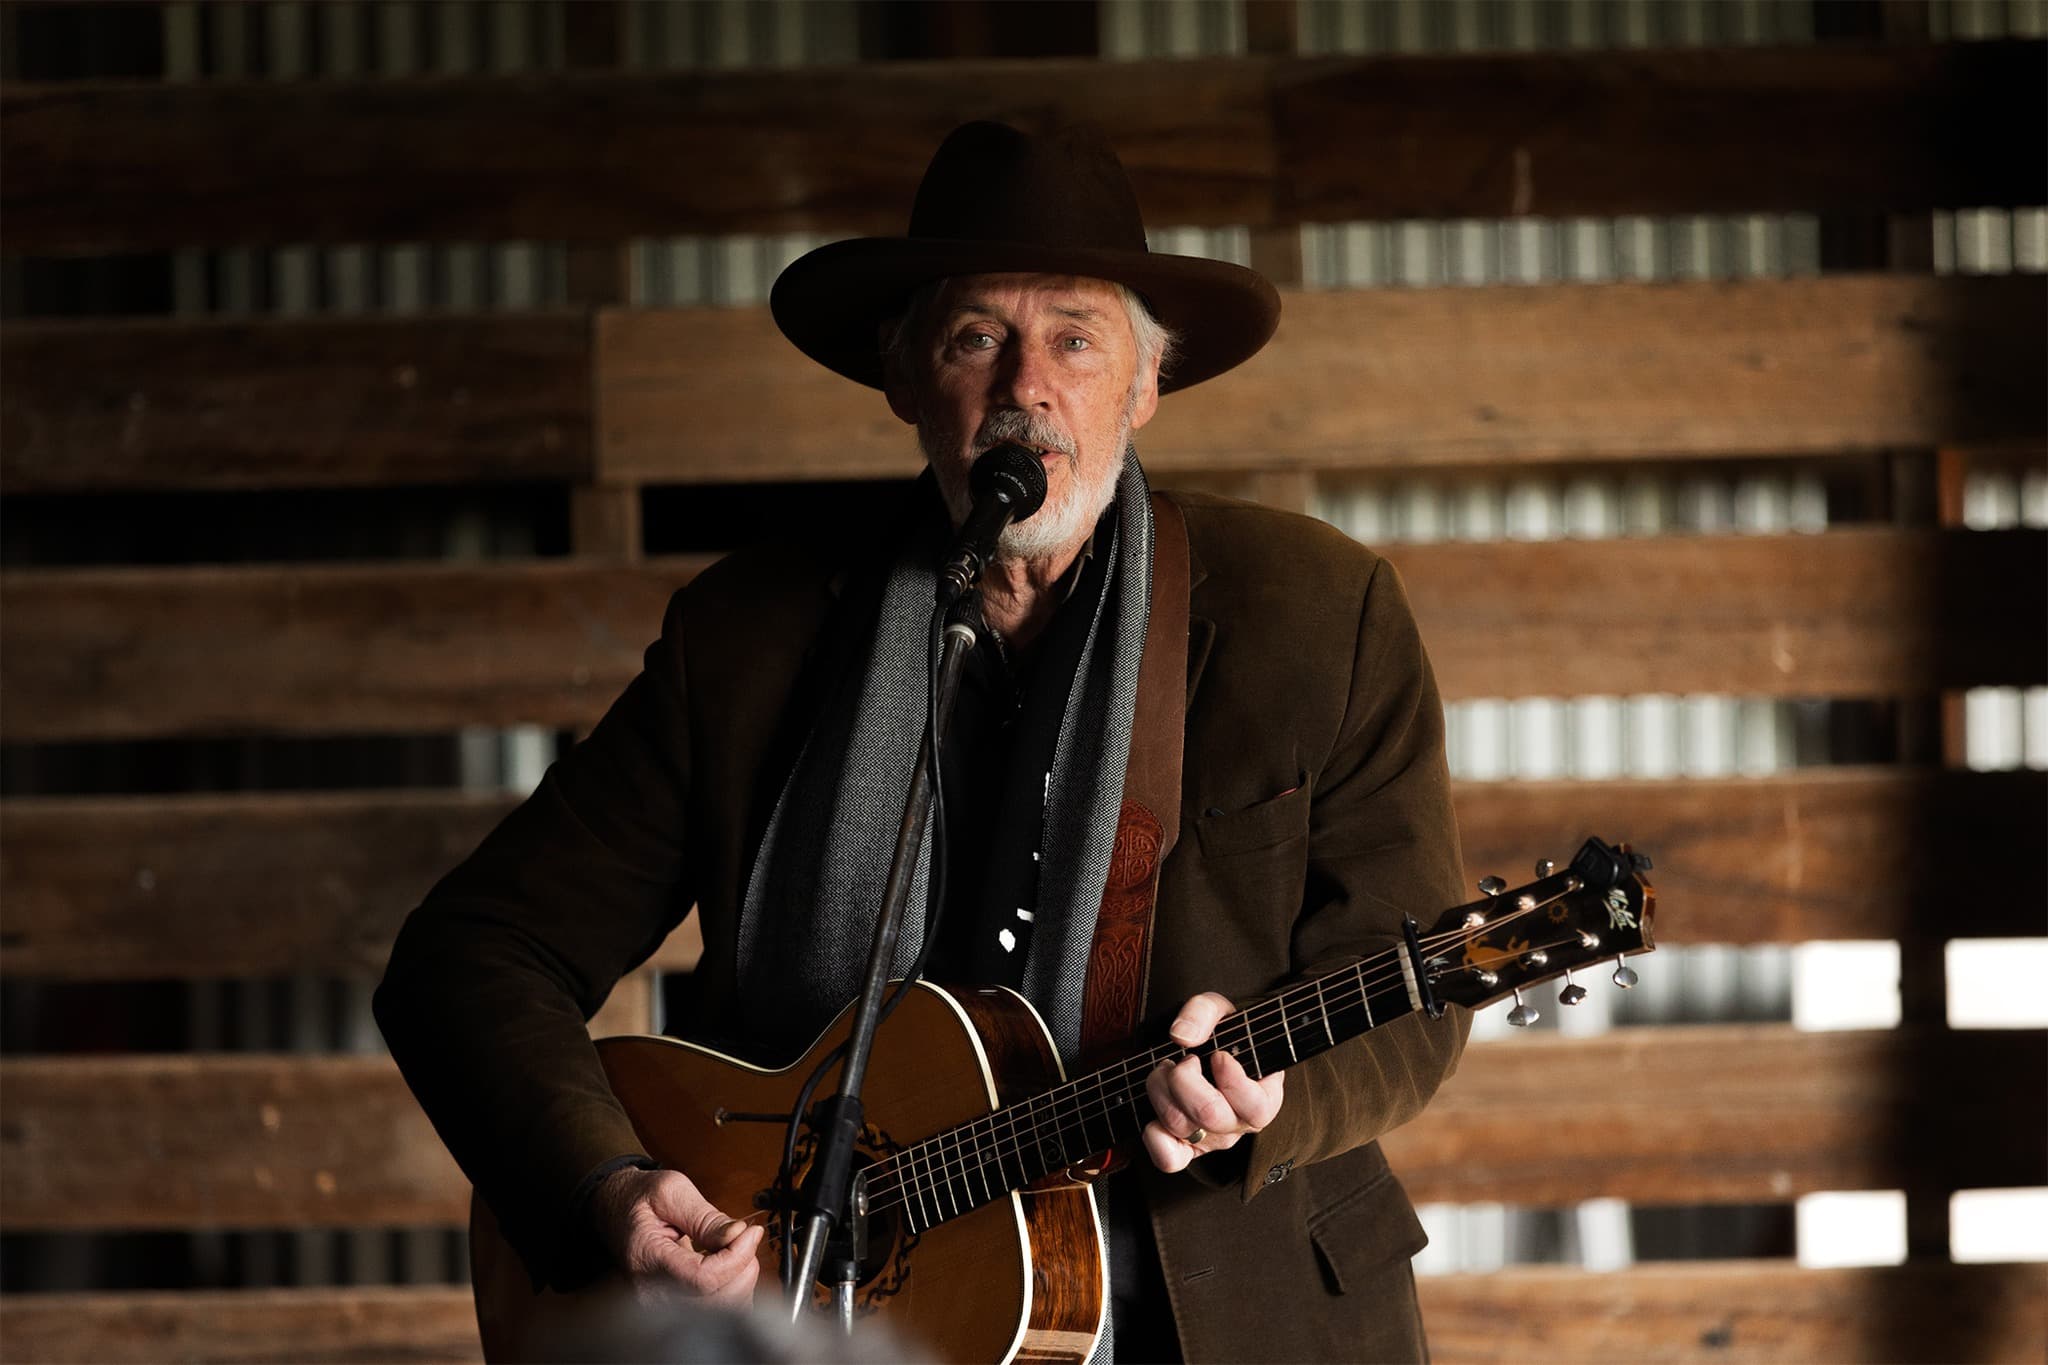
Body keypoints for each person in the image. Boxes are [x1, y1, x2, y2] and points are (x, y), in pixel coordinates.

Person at [376, 120, 1469, 1363]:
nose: (1024, 388)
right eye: (974, 339)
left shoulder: (1318, 614)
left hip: (1231, 1316)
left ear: (1144, 384)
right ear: (903, 380)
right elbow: (472, 954)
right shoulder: (744, 640)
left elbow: (1415, 981)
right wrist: (602, 1188)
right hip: (819, 1328)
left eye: (1074, 338)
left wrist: (1273, 1094)